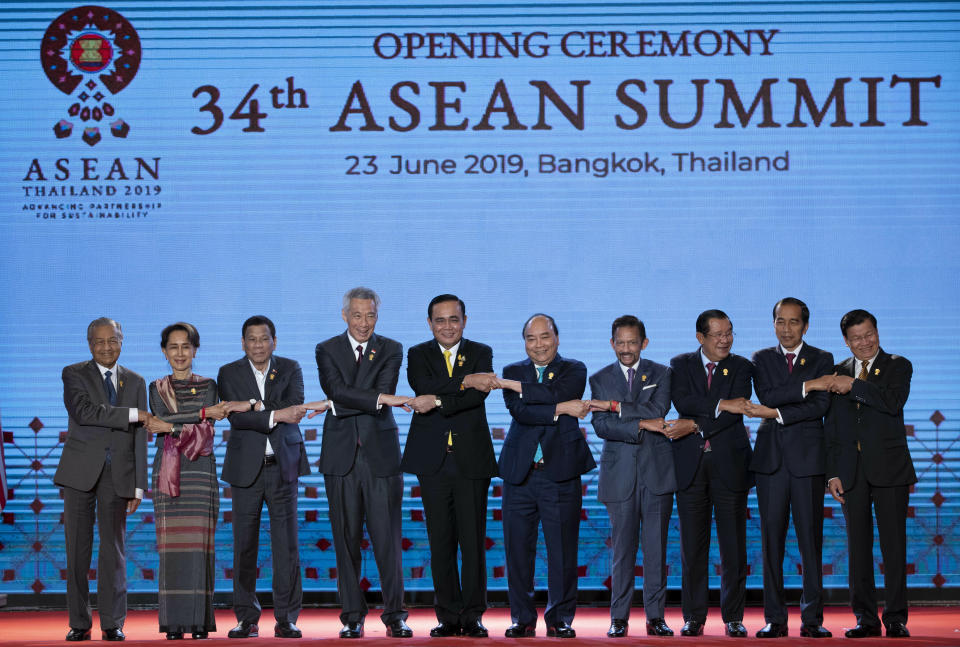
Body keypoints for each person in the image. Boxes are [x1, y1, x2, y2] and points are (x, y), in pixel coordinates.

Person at [315, 287, 414, 639]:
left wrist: (337, 402)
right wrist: (375, 398)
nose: (364, 323)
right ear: (345, 316)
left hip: (380, 457)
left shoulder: (391, 348)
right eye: (357, 315)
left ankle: (395, 615)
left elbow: (365, 391)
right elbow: (338, 389)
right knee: (346, 540)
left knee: (388, 539)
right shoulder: (326, 349)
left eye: (370, 315)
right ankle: (352, 616)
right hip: (340, 458)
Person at [811, 309, 915, 638]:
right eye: (856, 338)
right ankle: (866, 618)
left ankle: (896, 618)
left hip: (890, 469)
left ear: (877, 332)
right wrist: (832, 473)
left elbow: (892, 402)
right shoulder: (836, 371)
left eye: (869, 334)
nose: (864, 342)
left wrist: (853, 386)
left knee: (893, 546)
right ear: (846, 341)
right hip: (850, 472)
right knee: (858, 548)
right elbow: (832, 428)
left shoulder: (898, 365)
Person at [401, 295, 499, 638]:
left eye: (453, 319)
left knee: (472, 543)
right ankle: (447, 615)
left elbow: (476, 396)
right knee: (440, 541)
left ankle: (472, 615)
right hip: (433, 461)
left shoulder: (481, 353)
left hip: (471, 460)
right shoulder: (417, 354)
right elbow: (421, 386)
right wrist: (463, 381)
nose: (447, 326)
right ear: (429, 323)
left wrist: (441, 399)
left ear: (465, 320)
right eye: (439, 320)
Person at [496, 313, 595, 639]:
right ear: (524, 342)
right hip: (520, 475)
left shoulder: (575, 369)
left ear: (557, 337)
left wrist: (550, 400)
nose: (538, 345)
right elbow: (520, 411)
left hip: (560, 472)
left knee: (563, 551)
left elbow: (554, 392)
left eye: (545, 337)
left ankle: (560, 618)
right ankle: (522, 618)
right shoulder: (513, 371)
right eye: (531, 339)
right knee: (517, 551)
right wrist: (561, 408)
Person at [143, 322, 241, 639]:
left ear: (195, 350)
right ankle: (173, 624)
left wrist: (171, 426)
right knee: (171, 550)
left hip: (200, 471)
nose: (180, 353)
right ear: (164, 351)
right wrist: (201, 414)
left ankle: (199, 623)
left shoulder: (209, 385)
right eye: (174, 347)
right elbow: (159, 419)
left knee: (200, 549)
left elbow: (175, 427)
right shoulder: (155, 388)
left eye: (186, 346)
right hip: (168, 471)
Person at [55, 317, 150, 642]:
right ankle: (79, 623)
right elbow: (86, 412)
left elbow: (140, 438)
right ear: (89, 344)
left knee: (114, 550)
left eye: (112, 340)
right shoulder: (74, 374)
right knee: (77, 551)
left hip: (118, 475)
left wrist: (140, 483)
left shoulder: (136, 382)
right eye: (99, 341)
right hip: (79, 473)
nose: (106, 347)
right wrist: (132, 414)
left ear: (122, 341)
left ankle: (113, 622)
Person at [218, 315, 311, 639]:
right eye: (252, 339)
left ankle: (286, 618)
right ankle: (246, 618)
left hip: (283, 467)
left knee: (286, 546)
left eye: (264, 338)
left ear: (274, 341)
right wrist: (272, 412)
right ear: (243, 343)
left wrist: (255, 406)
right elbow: (237, 419)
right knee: (245, 546)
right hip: (246, 471)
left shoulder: (290, 368)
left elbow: (294, 407)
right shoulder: (228, 373)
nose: (258, 344)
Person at [746, 299, 833, 638]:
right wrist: (808, 386)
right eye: (780, 321)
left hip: (808, 461)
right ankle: (775, 620)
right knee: (771, 543)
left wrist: (781, 409)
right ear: (773, 324)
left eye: (793, 322)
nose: (786, 328)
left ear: (806, 326)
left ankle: (812, 621)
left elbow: (820, 406)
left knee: (811, 541)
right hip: (770, 461)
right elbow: (767, 396)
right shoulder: (761, 359)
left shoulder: (822, 359)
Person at [665, 309, 753, 638]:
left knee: (733, 547)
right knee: (693, 547)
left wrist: (697, 423)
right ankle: (694, 617)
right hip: (690, 466)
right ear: (700, 338)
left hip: (730, 465)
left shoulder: (743, 366)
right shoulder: (680, 364)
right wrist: (719, 405)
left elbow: (736, 409)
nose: (725, 339)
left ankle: (733, 617)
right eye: (717, 334)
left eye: (729, 332)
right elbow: (683, 400)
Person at [588, 315, 675, 638]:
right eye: (620, 343)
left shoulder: (663, 373)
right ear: (612, 343)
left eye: (632, 342)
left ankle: (656, 617)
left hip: (657, 474)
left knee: (656, 550)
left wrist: (615, 406)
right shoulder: (598, 379)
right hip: (619, 475)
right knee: (622, 552)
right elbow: (601, 426)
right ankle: (619, 618)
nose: (626, 349)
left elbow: (659, 409)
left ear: (644, 343)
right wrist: (639, 423)